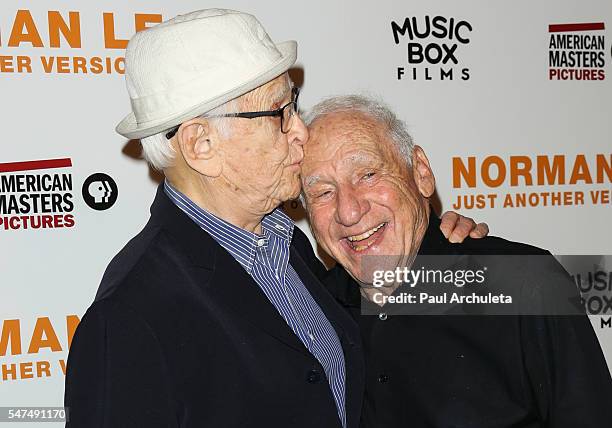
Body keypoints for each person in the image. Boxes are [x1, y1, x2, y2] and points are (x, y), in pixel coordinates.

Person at [64, 10, 482, 428]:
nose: (300, 131)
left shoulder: (285, 244)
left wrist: (440, 254)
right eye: (279, 113)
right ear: (202, 144)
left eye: (293, 105)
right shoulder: (130, 320)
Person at [299, 94, 612, 428]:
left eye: (368, 175)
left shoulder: (523, 284)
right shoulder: (310, 311)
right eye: (323, 193)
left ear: (421, 172)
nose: (348, 211)